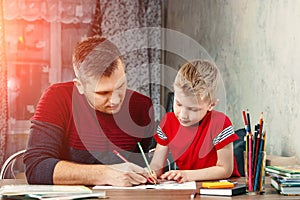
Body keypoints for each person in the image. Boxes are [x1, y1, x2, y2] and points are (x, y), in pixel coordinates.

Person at [24, 36, 156, 186]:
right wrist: (106, 174)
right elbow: (36, 168)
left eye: (120, 86)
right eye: (102, 93)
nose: (115, 100)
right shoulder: (57, 98)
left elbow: (144, 162)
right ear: (79, 86)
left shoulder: (142, 106)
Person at [150, 60, 240, 183]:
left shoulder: (220, 123)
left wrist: (187, 175)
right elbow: (157, 166)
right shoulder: (167, 123)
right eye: (178, 104)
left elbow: (225, 169)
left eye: (193, 109)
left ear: (211, 104)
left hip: (222, 190)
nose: (183, 115)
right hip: (188, 189)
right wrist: (149, 174)